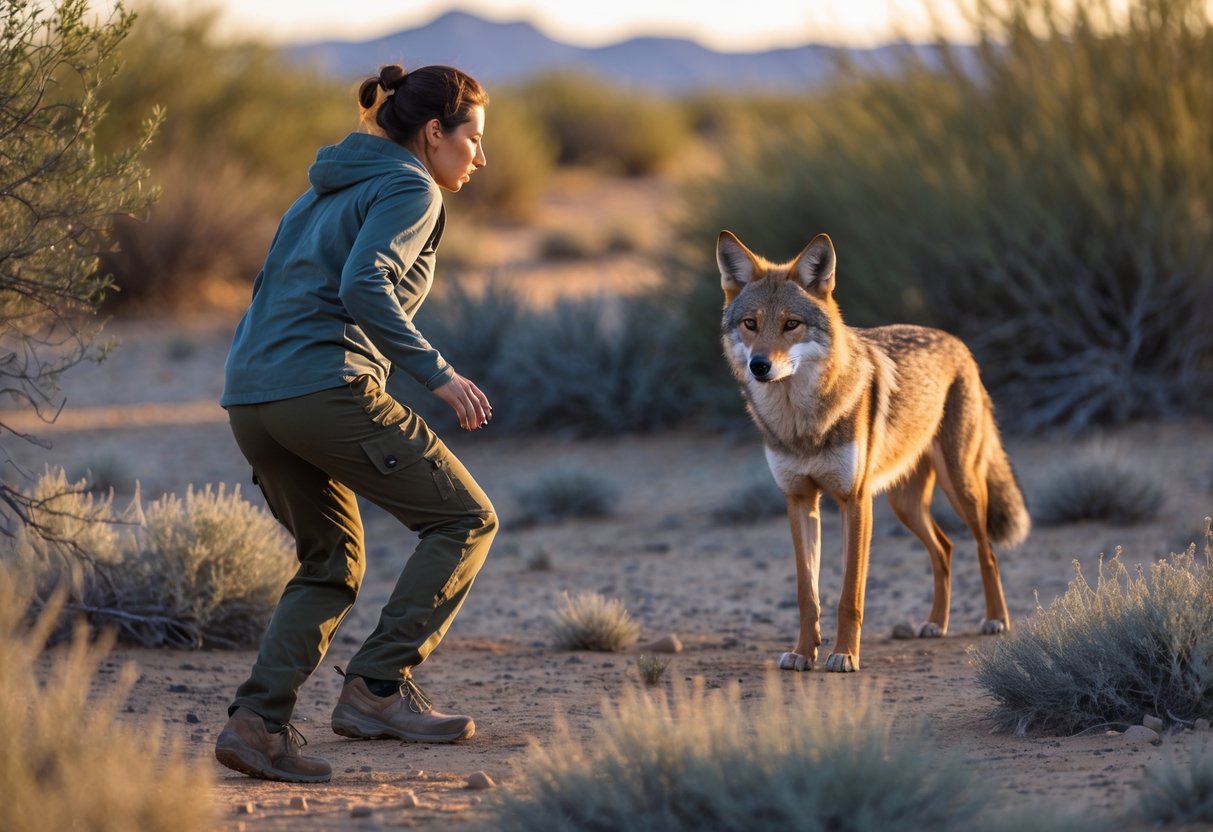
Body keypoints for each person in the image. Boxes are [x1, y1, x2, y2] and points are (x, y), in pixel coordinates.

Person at [213, 63, 498, 784]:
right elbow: (362, 285)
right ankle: (375, 690)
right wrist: (439, 373)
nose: (480, 156)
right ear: (434, 133)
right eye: (472, 138)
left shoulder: (321, 189)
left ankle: (257, 724)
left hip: (252, 397)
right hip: (324, 387)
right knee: (464, 520)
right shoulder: (411, 186)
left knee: (331, 560)